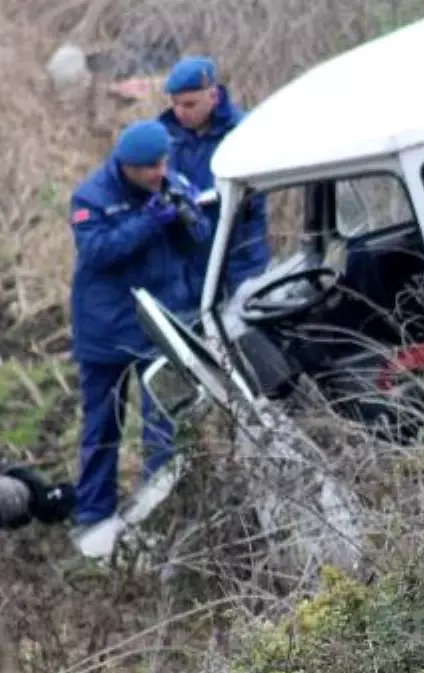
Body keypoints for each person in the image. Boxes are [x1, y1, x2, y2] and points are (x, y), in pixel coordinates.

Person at [68, 119, 212, 531]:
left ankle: (159, 512)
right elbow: (97, 252)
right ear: (126, 166)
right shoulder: (91, 197)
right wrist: (149, 221)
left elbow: (200, 241)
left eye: (162, 163)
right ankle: (93, 515)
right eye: (149, 167)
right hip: (107, 333)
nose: (158, 173)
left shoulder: (172, 182)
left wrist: (185, 217)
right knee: (102, 427)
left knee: (163, 426)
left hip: (158, 329)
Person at [158, 55, 271, 297]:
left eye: (189, 105)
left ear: (213, 97)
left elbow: (256, 190)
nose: (180, 113)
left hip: (238, 249)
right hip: (186, 256)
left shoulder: (243, 132)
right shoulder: (166, 135)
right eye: (175, 104)